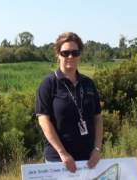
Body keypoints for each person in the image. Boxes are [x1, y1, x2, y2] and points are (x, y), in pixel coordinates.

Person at [35, 32, 103, 173]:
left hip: (88, 158)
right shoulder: (48, 84)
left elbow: (98, 117)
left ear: (80, 55)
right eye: (65, 53)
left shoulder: (88, 83)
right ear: (58, 54)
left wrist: (97, 149)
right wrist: (63, 153)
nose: (70, 57)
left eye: (75, 52)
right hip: (59, 160)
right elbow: (43, 121)